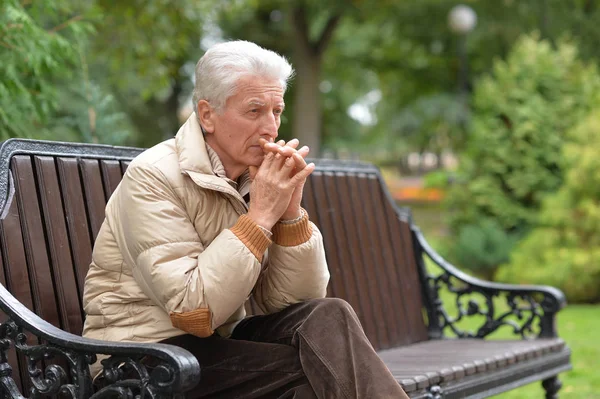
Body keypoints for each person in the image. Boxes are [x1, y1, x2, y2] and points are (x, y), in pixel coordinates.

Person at [82, 40, 409, 399]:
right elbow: (194, 313)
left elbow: (293, 305)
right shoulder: (153, 176)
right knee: (314, 377)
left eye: (277, 111)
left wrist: (290, 216)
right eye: (254, 111)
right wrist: (260, 216)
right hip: (144, 362)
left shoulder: (253, 179)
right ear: (207, 115)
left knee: (329, 316)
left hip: (218, 349)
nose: (270, 127)